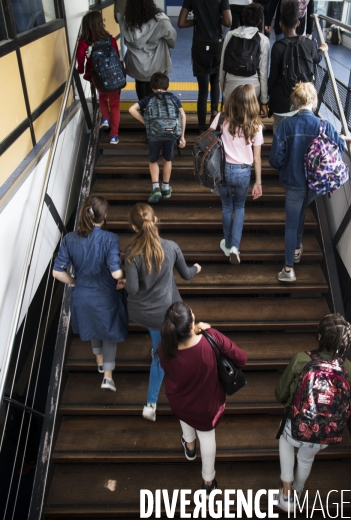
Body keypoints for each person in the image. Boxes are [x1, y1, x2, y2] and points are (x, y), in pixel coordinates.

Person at [159, 301, 248, 495]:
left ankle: (189, 447)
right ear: (191, 325)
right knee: (207, 438)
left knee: (185, 417)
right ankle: (208, 482)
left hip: (179, 400)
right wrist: (203, 331)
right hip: (207, 405)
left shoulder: (164, 348)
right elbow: (241, 358)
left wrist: (195, 330)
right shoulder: (211, 339)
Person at [124, 204, 201, 421]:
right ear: (155, 220)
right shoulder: (171, 247)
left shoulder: (131, 253)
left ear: (132, 227)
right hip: (165, 312)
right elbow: (186, 275)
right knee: (161, 354)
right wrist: (196, 268)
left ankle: (156, 347)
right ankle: (150, 403)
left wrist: (124, 279)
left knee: (156, 331)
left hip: (141, 312)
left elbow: (132, 289)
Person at [269, 82, 351, 283]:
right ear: (314, 101)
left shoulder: (286, 126)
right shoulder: (324, 125)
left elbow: (274, 159)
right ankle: (297, 247)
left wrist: (286, 167)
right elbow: (338, 150)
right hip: (316, 185)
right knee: (302, 212)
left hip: (293, 183)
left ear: (294, 102)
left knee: (291, 222)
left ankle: (288, 269)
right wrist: (341, 138)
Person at [275, 314, 351, 512]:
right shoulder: (348, 368)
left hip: (297, 425)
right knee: (306, 459)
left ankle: (286, 494)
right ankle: (298, 491)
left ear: (319, 336)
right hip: (325, 433)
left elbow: (281, 393)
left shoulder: (302, 359)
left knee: (285, 442)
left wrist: (288, 401)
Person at [53, 196, 128, 392]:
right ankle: (108, 377)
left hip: (82, 294)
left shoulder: (69, 239)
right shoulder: (110, 238)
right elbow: (115, 272)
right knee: (109, 332)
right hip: (105, 293)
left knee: (93, 327)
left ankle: (100, 361)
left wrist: (74, 281)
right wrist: (126, 277)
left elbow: (57, 271)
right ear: (104, 216)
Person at [210, 84, 263, 264]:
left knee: (227, 207)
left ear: (231, 101)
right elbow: (257, 158)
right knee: (239, 207)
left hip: (223, 171)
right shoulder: (256, 125)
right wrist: (258, 182)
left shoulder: (222, 119)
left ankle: (227, 243)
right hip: (243, 172)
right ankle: (234, 247)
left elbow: (209, 139)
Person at [178, 0, 231, 132]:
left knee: (202, 90)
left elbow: (181, 22)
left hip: (199, 46)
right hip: (216, 45)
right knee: (216, 83)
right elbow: (228, 22)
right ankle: (214, 120)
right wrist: (216, 18)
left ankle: (201, 128)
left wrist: (198, 21)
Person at [268, 0, 328, 132]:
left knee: (279, 131)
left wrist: (267, 99)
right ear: (298, 23)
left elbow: (273, 77)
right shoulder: (309, 44)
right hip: (303, 101)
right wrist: (322, 49)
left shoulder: (277, 47)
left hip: (282, 103)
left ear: (280, 23)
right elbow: (317, 59)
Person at [128, 72, 186, 203]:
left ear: (152, 87)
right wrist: (182, 136)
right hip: (171, 134)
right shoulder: (174, 98)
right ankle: (165, 188)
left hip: (154, 134)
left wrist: (146, 123)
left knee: (153, 160)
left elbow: (132, 109)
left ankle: (155, 188)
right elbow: (183, 116)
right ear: (167, 85)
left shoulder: (149, 98)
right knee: (167, 159)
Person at [123, 0, 177, 101]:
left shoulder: (128, 23)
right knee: (157, 90)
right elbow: (172, 38)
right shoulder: (160, 21)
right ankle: (156, 113)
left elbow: (127, 41)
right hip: (156, 64)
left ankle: (144, 112)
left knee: (141, 86)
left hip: (137, 65)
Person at [77, 10, 121, 144]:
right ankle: (114, 135)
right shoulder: (110, 39)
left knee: (102, 96)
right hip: (113, 77)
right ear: (100, 24)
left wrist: (81, 69)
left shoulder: (84, 43)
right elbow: (117, 57)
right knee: (115, 104)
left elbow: (80, 60)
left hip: (97, 78)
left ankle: (105, 118)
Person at [220, 3, 270, 114]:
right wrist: (264, 101)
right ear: (260, 20)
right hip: (252, 90)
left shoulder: (230, 35)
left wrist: (224, 91)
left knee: (231, 123)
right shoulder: (263, 40)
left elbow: (223, 66)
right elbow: (263, 73)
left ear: (242, 18)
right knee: (250, 124)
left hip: (230, 87)